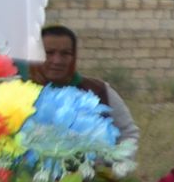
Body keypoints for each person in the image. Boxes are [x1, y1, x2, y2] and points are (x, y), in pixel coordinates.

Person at [30, 24, 141, 159]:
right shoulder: (20, 94)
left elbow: (128, 133)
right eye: (49, 53)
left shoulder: (98, 91)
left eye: (65, 54)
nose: (57, 60)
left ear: (74, 56)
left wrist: (113, 170)